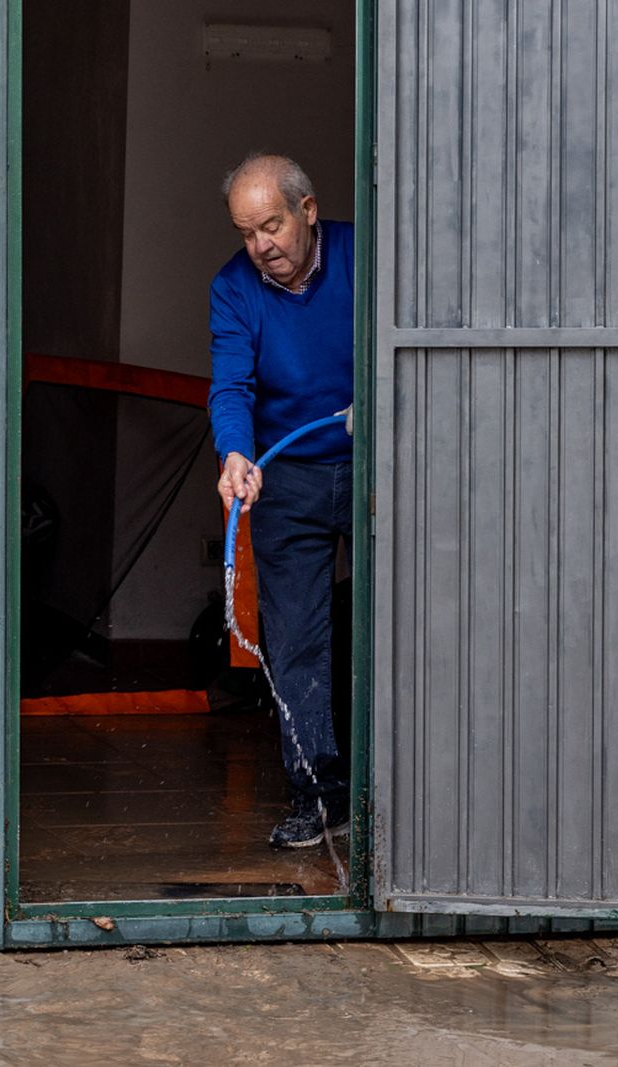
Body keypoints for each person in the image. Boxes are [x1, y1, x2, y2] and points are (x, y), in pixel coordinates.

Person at [208, 153, 353, 849]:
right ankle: (318, 797)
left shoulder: (368, 259)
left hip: (375, 465)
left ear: (308, 210)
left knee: (409, 621)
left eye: (271, 224)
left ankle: (419, 791)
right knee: (295, 640)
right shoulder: (234, 289)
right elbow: (231, 383)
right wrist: (235, 450)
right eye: (246, 232)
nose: (261, 246)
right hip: (286, 475)